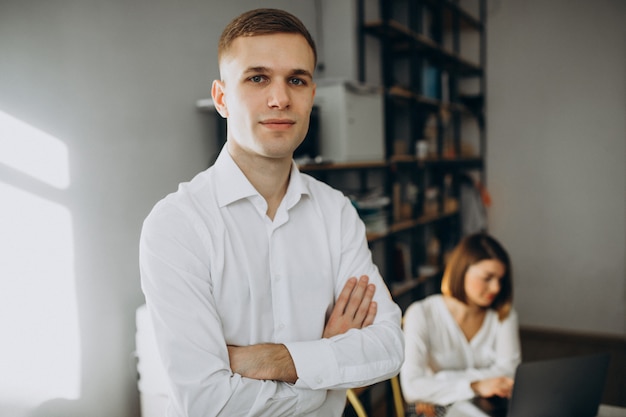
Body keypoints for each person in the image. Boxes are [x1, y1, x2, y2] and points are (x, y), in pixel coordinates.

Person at [139, 8, 404, 417]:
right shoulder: (176, 225)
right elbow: (210, 403)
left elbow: (389, 347)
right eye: (257, 78)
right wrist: (324, 366)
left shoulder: (336, 212)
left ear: (311, 96)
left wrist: (272, 359)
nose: (280, 98)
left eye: (296, 80)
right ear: (222, 98)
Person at [400, 233, 521, 417]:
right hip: (435, 408)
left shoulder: (503, 314)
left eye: (500, 280)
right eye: (487, 278)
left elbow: (510, 373)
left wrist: (440, 380)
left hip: (483, 406)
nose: (496, 288)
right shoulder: (421, 314)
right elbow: (412, 387)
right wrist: (477, 385)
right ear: (462, 271)